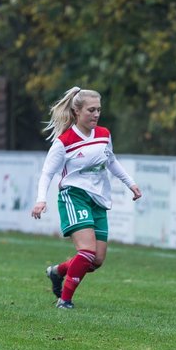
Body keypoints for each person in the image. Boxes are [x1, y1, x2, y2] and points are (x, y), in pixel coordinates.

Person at [31, 87, 142, 309]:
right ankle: (65, 300)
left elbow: (111, 161)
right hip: (74, 196)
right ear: (76, 111)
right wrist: (41, 199)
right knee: (87, 252)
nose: (96, 114)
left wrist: (131, 183)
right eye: (91, 110)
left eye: (98, 110)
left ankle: (58, 271)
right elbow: (47, 173)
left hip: (98, 199)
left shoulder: (103, 134)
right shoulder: (64, 141)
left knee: (96, 260)